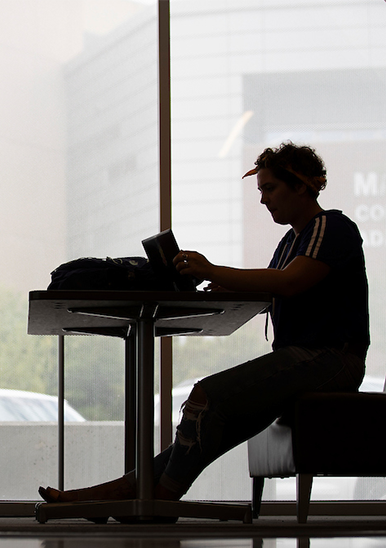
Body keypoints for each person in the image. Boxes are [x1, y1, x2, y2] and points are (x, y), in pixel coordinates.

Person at [39, 142, 368, 508]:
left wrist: (213, 270)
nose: (263, 200)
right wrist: (223, 286)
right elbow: (273, 288)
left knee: (206, 397)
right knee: (211, 420)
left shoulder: (330, 227)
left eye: (269, 189)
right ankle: (112, 496)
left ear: (303, 186)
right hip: (308, 360)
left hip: (331, 359)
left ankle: (158, 502)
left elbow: (290, 282)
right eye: (260, 191)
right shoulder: (291, 241)